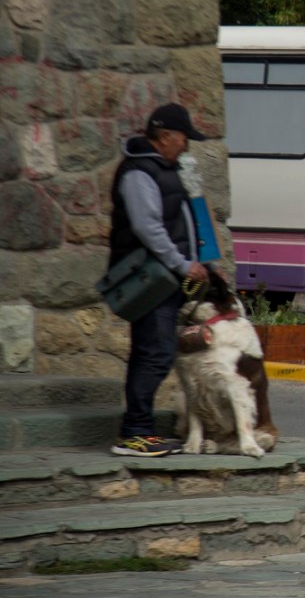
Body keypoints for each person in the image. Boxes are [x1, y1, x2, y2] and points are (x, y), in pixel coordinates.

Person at [108, 103, 212, 457]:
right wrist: (183, 264)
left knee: (152, 352)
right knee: (155, 354)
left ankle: (140, 430)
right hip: (150, 281)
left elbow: (181, 222)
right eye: (183, 138)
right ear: (165, 136)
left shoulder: (162, 168)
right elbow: (147, 227)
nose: (186, 145)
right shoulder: (140, 172)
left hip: (165, 279)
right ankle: (135, 432)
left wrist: (204, 263)